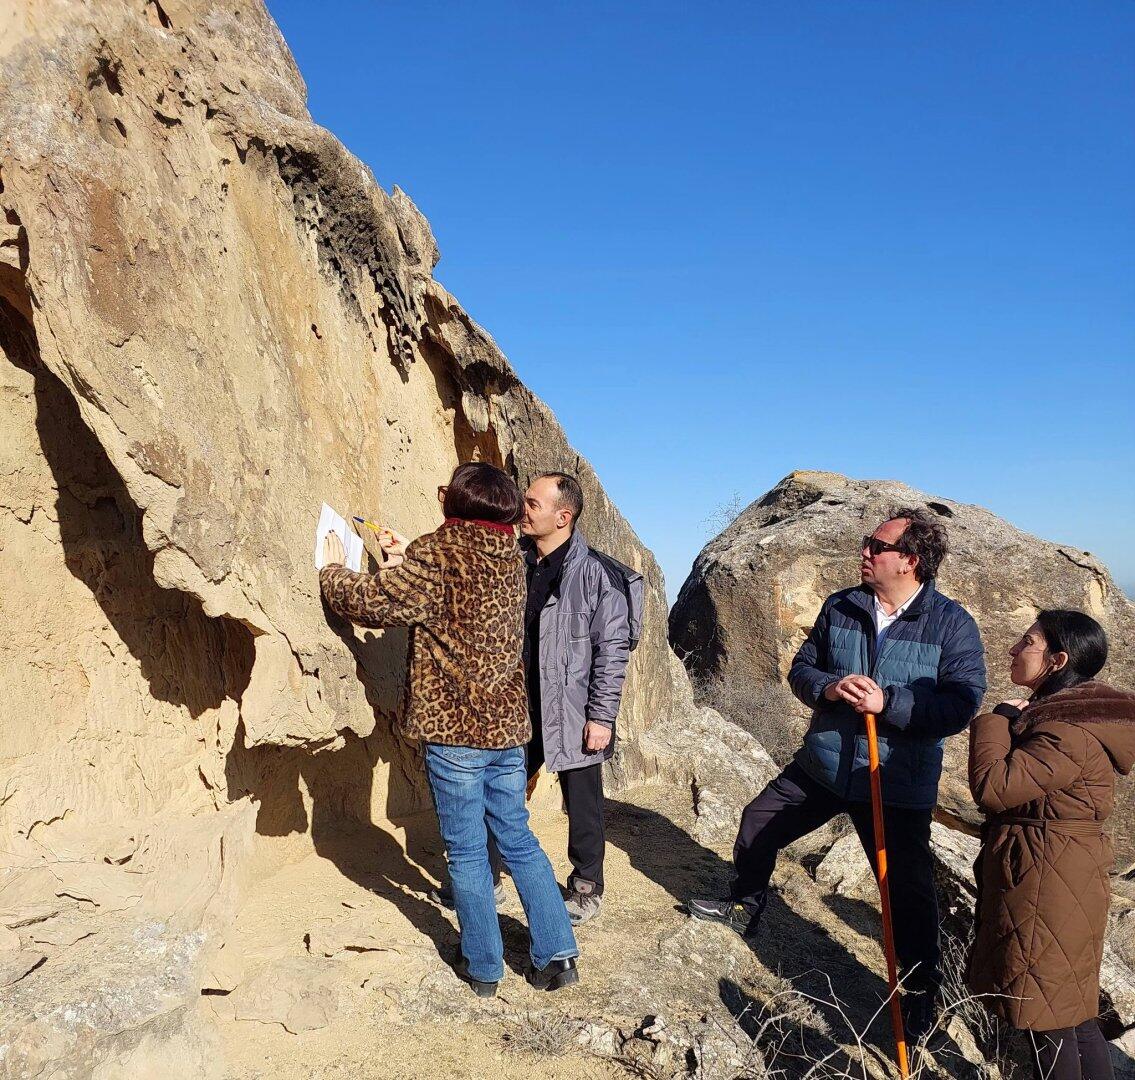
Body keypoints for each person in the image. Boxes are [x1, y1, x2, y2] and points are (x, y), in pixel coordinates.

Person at [688, 507, 987, 1039]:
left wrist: (889, 702)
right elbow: (801, 669)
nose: (864, 551)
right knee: (759, 821)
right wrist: (828, 688)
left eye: (877, 545)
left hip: (894, 782)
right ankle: (745, 902)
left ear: (910, 560)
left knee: (906, 891)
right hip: (825, 765)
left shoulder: (951, 624)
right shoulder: (842, 606)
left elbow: (961, 704)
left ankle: (920, 994)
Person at [319, 462, 579, 997]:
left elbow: (371, 603)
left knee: (465, 851)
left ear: (456, 502)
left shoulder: (438, 553)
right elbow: (450, 603)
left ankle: (483, 966)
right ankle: (557, 955)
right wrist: (403, 560)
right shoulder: (511, 556)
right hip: (507, 729)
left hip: (455, 730)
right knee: (518, 839)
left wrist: (332, 570)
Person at [967, 611, 1135, 1080]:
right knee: (1071, 1014)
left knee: (1045, 1019)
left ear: (1058, 661)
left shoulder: (1066, 731)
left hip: (1047, 881)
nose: (1013, 649)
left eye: (1027, 642)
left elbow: (994, 787)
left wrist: (996, 721)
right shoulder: (1066, 719)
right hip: (1060, 872)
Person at [516, 471, 635, 924]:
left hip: (573, 710)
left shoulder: (597, 574)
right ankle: (485, 876)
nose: (523, 509)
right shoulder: (515, 560)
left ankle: (586, 889)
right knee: (501, 794)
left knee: (582, 805)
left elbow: (612, 652)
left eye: (533, 503)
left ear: (563, 516)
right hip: (519, 706)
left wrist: (601, 717)